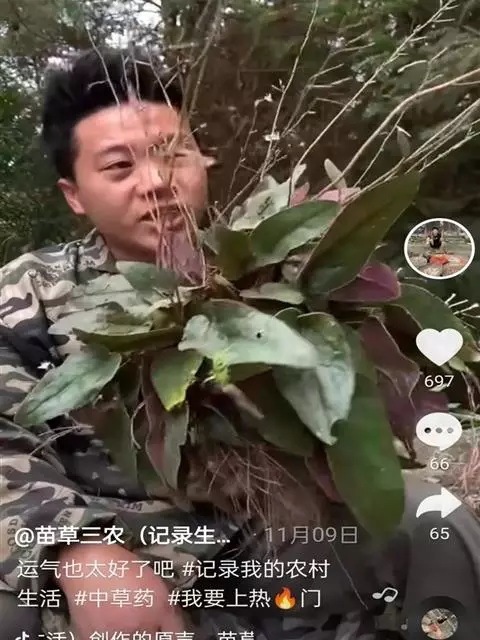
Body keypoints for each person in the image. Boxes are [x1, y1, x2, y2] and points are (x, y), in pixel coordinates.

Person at [0, 48, 480, 640]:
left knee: (428, 523)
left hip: (265, 541)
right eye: (120, 167)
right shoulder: (27, 292)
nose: (156, 183)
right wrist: (74, 551)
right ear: (75, 194)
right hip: (112, 541)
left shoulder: (273, 265)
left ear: (202, 158)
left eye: (172, 154)